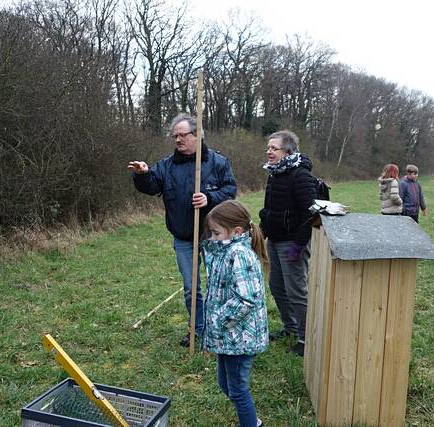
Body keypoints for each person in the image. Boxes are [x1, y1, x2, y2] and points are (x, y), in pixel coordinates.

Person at [128, 113, 237, 347]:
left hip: (214, 237)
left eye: (182, 135)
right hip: (183, 237)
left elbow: (230, 191)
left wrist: (209, 198)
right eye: (174, 136)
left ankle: (220, 329)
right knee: (191, 288)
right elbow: (151, 185)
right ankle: (197, 330)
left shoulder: (217, 162)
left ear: (196, 135)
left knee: (219, 284)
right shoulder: (167, 165)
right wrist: (142, 175)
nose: (178, 140)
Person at [202, 200, 268, 427]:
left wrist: (216, 320)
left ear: (236, 231)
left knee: (238, 390)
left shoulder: (239, 254)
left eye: (215, 233)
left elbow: (246, 299)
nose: (212, 238)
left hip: (240, 338)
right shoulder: (225, 251)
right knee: (225, 385)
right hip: (227, 337)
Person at [259, 130, 317, 357]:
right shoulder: (274, 173)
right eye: (268, 148)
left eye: (274, 148)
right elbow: (269, 208)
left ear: (288, 151)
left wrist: (299, 245)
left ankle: (305, 338)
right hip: (274, 240)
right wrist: (264, 229)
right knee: (277, 287)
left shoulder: (300, 175)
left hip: (292, 243)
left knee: (296, 292)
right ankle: (290, 328)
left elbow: (310, 213)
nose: (269, 152)